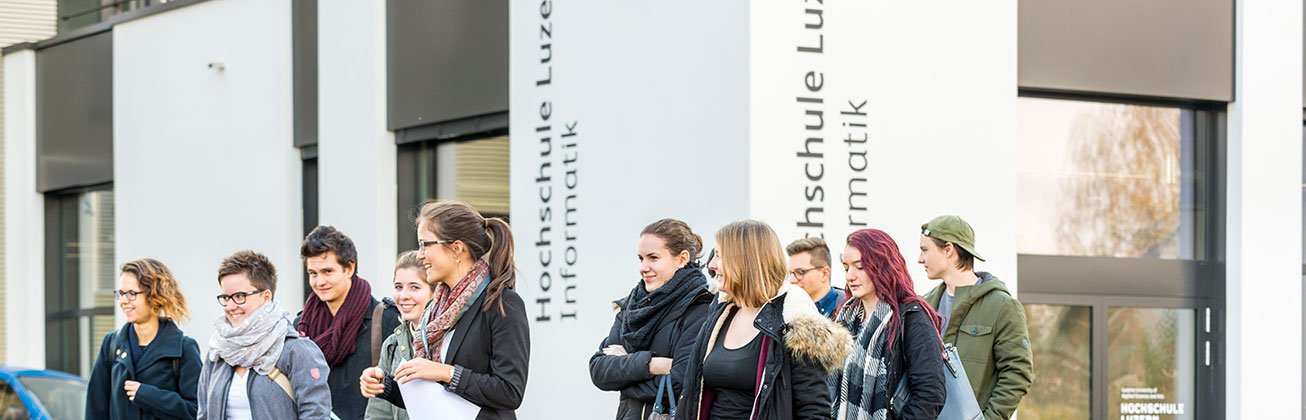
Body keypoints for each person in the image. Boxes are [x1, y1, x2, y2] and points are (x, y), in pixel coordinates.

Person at [361, 201, 530, 419]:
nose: (420, 255)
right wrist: (386, 385)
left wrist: (446, 372)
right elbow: (435, 399)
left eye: (425, 244)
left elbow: (510, 391)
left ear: (457, 248)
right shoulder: (434, 309)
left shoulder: (503, 304)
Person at [676, 220, 852, 420]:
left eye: (719, 256)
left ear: (745, 260)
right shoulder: (721, 313)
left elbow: (813, 411)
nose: (712, 265)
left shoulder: (794, 319)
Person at [589, 219, 713, 419]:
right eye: (640, 258)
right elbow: (599, 370)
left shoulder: (699, 308)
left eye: (653, 258)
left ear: (681, 258)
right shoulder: (633, 305)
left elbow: (680, 382)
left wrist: (625, 374)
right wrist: (652, 365)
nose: (643, 267)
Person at [917, 215, 1033, 420]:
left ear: (949, 250)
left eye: (925, 250)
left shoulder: (1002, 307)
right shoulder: (924, 305)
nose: (920, 258)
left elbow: (1017, 374)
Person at [198, 250, 332, 419]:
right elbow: (203, 414)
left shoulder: (297, 351)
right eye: (225, 297)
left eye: (239, 296)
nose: (230, 306)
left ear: (266, 296)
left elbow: (316, 415)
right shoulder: (218, 352)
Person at [829, 229, 946, 420]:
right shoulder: (845, 317)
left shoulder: (911, 316)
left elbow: (930, 394)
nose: (850, 276)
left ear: (882, 266)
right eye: (846, 267)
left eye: (859, 267)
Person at [296, 226, 401, 420]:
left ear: (349, 268)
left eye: (328, 271)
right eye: (313, 273)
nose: (319, 282)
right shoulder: (301, 327)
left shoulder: (386, 321)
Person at [86, 258, 203, 420]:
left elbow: (196, 411)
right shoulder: (111, 345)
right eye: (121, 294)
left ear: (154, 295)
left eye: (132, 294)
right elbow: (95, 410)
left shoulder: (184, 348)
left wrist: (148, 395)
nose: (124, 301)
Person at [362, 250, 436, 420]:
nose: (403, 296)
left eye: (414, 287)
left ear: (434, 293)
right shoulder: (392, 344)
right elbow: (378, 413)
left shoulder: (450, 340)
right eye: (398, 287)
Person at [785, 237, 848, 319]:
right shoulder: (786, 310)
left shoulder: (852, 309)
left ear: (824, 274)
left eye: (800, 272)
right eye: (791, 273)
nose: (792, 280)